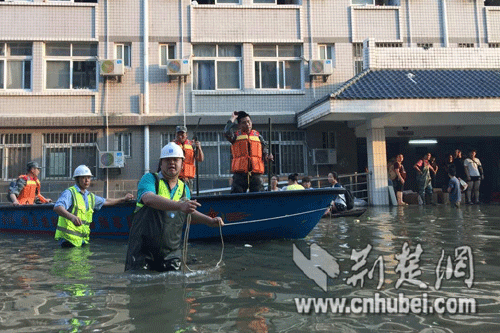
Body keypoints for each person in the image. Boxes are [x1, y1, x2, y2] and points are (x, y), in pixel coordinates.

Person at [125, 142, 224, 272]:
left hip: (170, 253)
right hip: (142, 252)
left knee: (174, 287)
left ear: (182, 164)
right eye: (167, 160)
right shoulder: (150, 179)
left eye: (175, 160)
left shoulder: (184, 188)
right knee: (140, 287)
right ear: (161, 163)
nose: (172, 162)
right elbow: (148, 199)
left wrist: (209, 221)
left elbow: (188, 212)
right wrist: (180, 205)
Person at [53, 165, 134, 248]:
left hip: (81, 240)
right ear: (77, 179)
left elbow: (106, 201)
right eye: (83, 177)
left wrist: (123, 199)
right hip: (67, 241)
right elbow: (58, 207)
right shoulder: (70, 193)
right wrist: (71, 217)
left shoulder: (90, 197)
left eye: (88, 177)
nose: (87, 180)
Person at [223, 111, 273, 193]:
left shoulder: (258, 136)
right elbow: (226, 132)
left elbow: (265, 148)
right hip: (240, 175)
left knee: (258, 197)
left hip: (256, 174)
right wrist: (232, 118)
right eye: (244, 123)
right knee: (237, 198)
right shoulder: (235, 136)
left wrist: (267, 155)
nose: (247, 124)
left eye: (248, 122)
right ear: (239, 125)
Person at [174, 125, 204, 190]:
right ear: (176, 134)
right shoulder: (172, 145)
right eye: (178, 134)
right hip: (175, 179)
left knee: (188, 197)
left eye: (182, 134)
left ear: (186, 134)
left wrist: (199, 148)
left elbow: (200, 159)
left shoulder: (191, 145)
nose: (180, 136)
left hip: (188, 179)